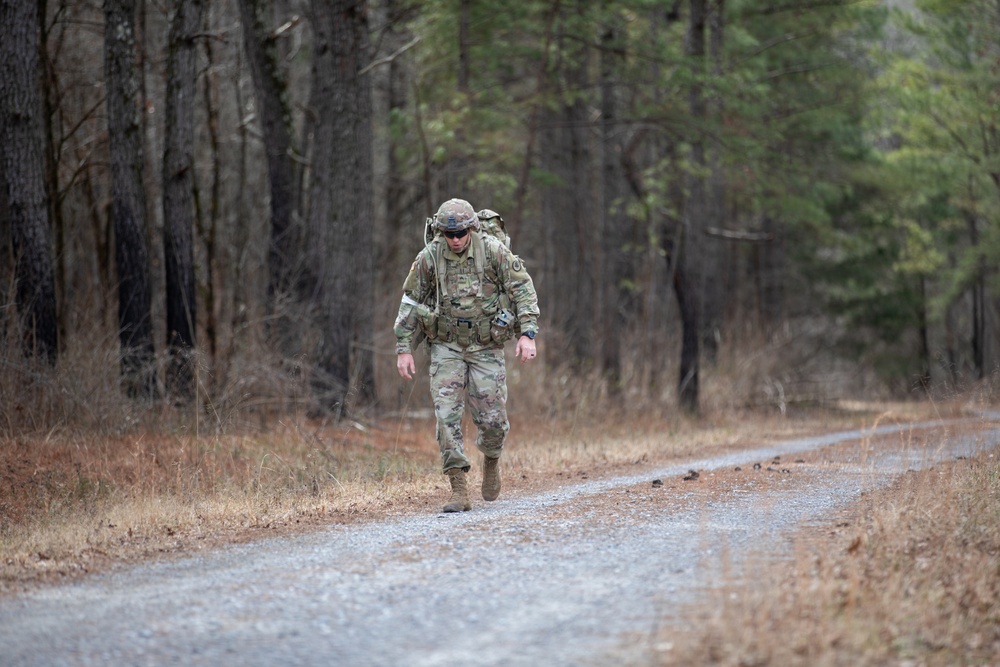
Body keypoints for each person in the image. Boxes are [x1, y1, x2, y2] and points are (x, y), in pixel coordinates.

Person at [394, 198, 540, 513]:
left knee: (492, 419)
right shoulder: (430, 256)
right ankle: (458, 487)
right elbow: (411, 301)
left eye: (460, 233)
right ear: (441, 233)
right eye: (449, 234)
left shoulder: (493, 251)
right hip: (446, 345)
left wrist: (527, 333)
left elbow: (522, 289)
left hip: (486, 345)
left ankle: (491, 459)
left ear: (472, 228)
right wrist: (404, 347)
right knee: (446, 416)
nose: (456, 239)